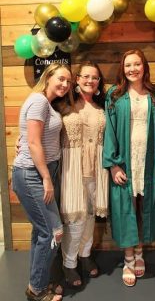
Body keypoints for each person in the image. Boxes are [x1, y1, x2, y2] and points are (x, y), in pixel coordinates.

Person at [103, 49, 155, 287]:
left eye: (137, 64)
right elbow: (109, 130)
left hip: (149, 160)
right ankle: (128, 258)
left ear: (144, 66)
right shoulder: (115, 95)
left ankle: (139, 252)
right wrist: (113, 165)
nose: (132, 69)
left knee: (143, 205)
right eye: (128, 65)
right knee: (125, 207)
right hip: (125, 160)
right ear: (123, 68)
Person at [12, 63, 73, 301]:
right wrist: (46, 178)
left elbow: (31, 136)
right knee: (54, 232)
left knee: (41, 232)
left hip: (41, 171)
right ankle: (36, 291)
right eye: (61, 79)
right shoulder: (38, 101)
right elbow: (35, 143)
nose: (65, 85)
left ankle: (38, 282)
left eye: (68, 81)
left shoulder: (46, 103)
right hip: (33, 174)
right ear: (48, 77)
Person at [59, 61, 109, 287]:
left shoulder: (102, 108)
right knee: (75, 220)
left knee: (90, 217)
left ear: (99, 82)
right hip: (71, 170)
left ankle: (85, 254)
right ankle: (69, 263)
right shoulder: (62, 106)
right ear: (77, 79)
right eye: (86, 76)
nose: (90, 81)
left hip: (96, 170)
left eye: (95, 77)